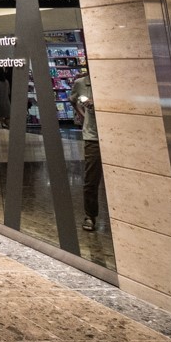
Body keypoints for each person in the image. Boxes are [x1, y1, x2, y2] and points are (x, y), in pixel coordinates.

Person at [73, 69, 104, 232]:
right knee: (91, 179)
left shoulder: (108, 82)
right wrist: (82, 114)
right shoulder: (81, 84)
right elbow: (73, 100)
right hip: (93, 136)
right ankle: (90, 215)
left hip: (114, 133)